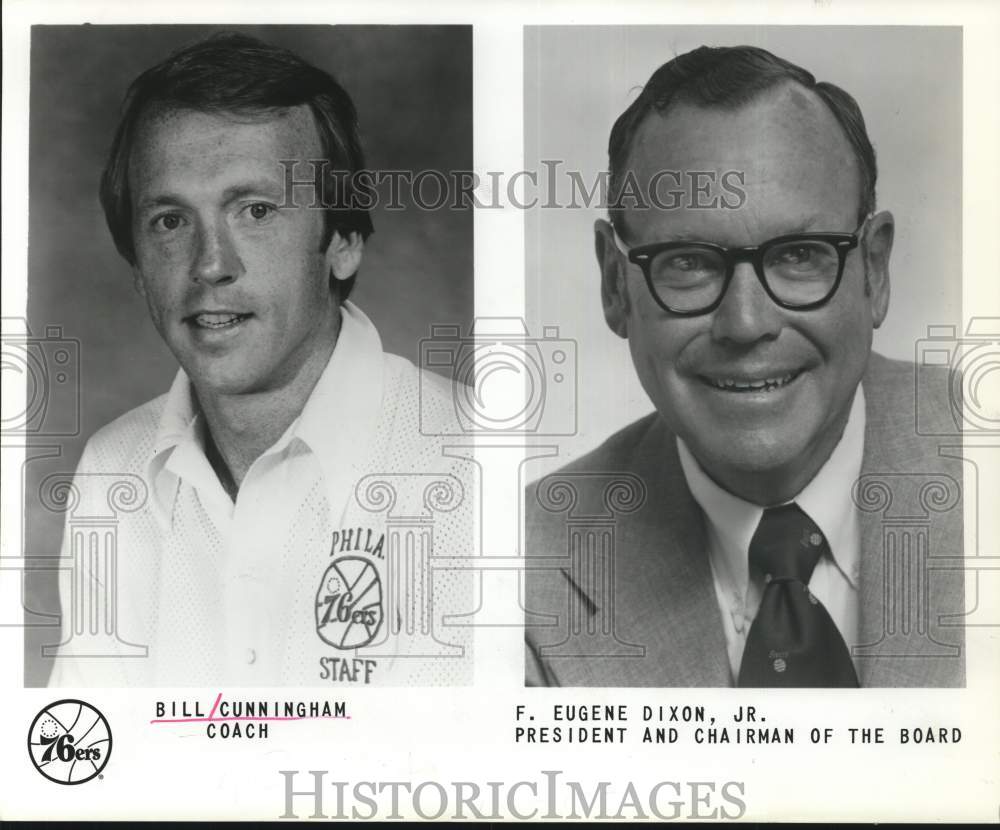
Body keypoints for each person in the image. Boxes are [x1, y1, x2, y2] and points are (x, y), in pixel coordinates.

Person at [525, 45, 964, 688]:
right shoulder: (517, 574)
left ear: (873, 270)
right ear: (616, 285)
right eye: (689, 262)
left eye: (799, 255)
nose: (747, 323)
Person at [48, 33, 472, 686]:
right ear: (136, 267)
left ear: (344, 241)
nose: (212, 265)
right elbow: (87, 768)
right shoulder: (112, 471)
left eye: (256, 210)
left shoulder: (477, 465)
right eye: (169, 221)